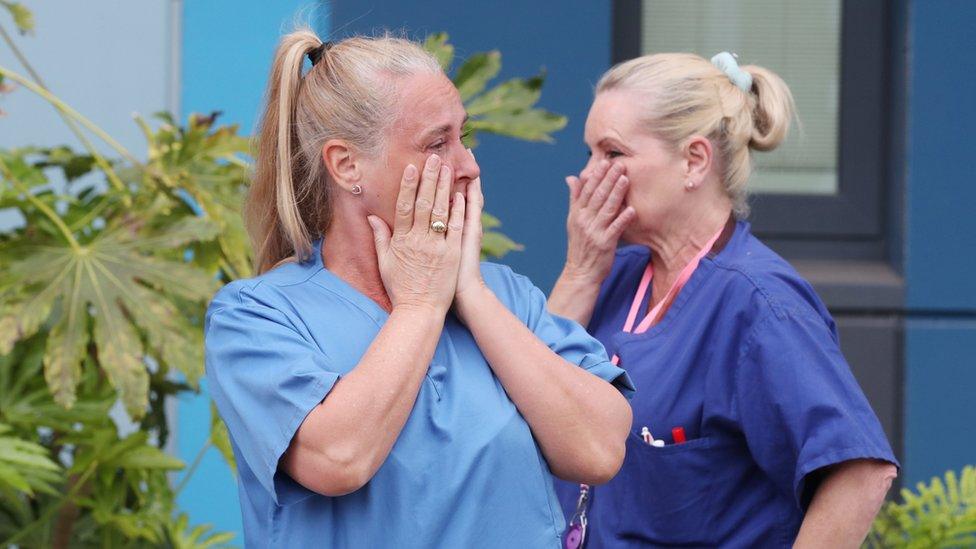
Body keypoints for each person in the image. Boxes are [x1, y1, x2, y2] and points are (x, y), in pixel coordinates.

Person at [203, 30, 634, 548]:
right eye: (437, 144)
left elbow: (599, 449)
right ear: (347, 165)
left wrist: (470, 294)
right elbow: (339, 458)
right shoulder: (255, 316)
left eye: (463, 138)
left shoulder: (505, 296)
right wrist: (421, 304)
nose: (469, 166)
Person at [548, 52, 898, 547]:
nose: (588, 177)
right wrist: (580, 271)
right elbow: (528, 404)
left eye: (612, 154)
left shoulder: (760, 303)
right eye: (588, 154)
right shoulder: (613, 273)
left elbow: (860, 475)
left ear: (694, 161)